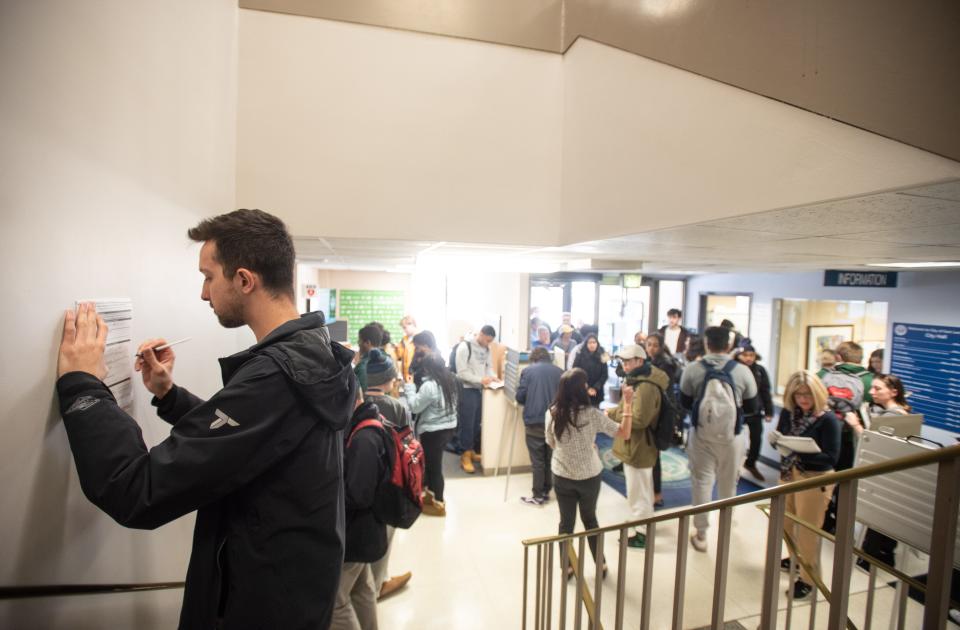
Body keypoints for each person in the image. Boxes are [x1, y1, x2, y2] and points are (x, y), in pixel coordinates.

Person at [55, 209, 356, 629]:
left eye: (208, 276)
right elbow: (252, 437)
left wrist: (83, 385)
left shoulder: (276, 377)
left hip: (259, 608)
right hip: (291, 596)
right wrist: (169, 394)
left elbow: (135, 489)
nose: (203, 293)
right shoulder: (313, 351)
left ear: (244, 280)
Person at [679, 326, 759, 552]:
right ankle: (727, 523)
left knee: (702, 481)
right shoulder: (742, 371)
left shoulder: (693, 369)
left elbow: (684, 402)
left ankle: (701, 534)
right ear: (728, 345)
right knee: (728, 481)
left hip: (701, 435)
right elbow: (753, 407)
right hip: (733, 436)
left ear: (707, 344)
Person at [546, 369, 631, 576]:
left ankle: (567, 567)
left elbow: (551, 442)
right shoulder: (593, 415)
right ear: (580, 390)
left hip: (562, 475)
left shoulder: (552, 412)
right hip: (590, 476)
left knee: (566, 523)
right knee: (590, 519)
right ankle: (600, 564)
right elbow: (624, 432)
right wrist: (627, 403)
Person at [770, 371, 841, 600]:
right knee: (785, 522)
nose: (803, 399)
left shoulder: (828, 419)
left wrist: (798, 450)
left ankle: (809, 579)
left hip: (814, 478)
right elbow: (782, 439)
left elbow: (831, 458)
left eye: (807, 394)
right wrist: (778, 442)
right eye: (798, 394)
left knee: (807, 531)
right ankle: (795, 558)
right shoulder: (790, 414)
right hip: (789, 474)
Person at [360, 349, 413, 601]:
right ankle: (377, 584)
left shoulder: (354, 403)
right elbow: (408, 445)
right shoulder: (397, 407)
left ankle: (365, 585)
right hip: (390, 483)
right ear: (389, 380)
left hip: (358, 482)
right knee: (385, 537)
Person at [333, 395, 389, 629]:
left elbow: (359, 494)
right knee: (362, 588)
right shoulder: (369, 425)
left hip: (358, 533)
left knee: (335, 602)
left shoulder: (363, 438)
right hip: (367, 531)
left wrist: (328, 501)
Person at [610, 345, 670, 548]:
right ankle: (643, 524)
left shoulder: (645, 386)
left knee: (639, 491)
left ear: (639, 361)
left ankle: (642, 533)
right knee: (641, 489)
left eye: (628, 361)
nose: (625, 365)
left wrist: (615, 414)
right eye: (623, 362)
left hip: (640, 445)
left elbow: (639, 419)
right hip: (638, 444)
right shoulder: (638, 380)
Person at [404, 353, 459, 517]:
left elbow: (414, 406)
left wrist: (409, 387)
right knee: (431, 465)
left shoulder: (430, 386)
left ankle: (439, 504)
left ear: (427, 368)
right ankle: (431, 495)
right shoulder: (451, 380)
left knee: (434, 468)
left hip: (433, 431)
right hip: (448, 428)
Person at [515, 347, 564, 505]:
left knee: (537, 460)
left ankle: (537, 495)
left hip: (534, 421)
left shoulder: (527, 371)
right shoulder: (561, 372)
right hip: (555, 421)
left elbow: (520, 396)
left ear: (533, 359)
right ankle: (546, 490)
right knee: (550, 457)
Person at [451, 324, 499, 473]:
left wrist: (493, 377)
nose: (488, 344)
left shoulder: (487, 348)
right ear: (481, 334)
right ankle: (464, 455)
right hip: (467, 390)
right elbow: (462, 373)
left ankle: (470, 450)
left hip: (480, 390)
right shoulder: (464, 347)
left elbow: (489, 366)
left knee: (476, 423)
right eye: (487, 340)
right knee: (467, 423)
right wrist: (480, 380)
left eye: (490, 341)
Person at [734, 341, 774, 481]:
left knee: (756, 439)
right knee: (735, 441)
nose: (748, 358)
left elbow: (765, 391)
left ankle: (751, 463)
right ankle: (732, 467)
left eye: (751, 355)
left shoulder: (760, 370)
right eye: (745, 355)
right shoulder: (734, 369)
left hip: (755, 411)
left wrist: (769, 411)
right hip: (737, 411)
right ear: (739, 355)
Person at [363, 349, 411, 428]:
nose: (394, 379)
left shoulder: (357, 403)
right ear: (388, 378)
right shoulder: (397, 407)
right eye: (393, 377)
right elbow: (407, 437)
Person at [572, 334, 609, 407]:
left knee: (595, 412)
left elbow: (605, 374)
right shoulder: (580, 354)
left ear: (597, 343)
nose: (592, 345)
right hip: (582, 389)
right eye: (589, 342)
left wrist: (595, 388)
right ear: (586, 344)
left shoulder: (603, 354)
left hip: (597, 391)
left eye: (594, 342)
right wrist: (587, 388)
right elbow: (575, 372)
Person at [355, 323, 384, 393]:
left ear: (368, 343)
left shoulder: (363, 366)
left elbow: (359, 392)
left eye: (360, 340)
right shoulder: (386, 359)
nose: (358, 343)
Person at [395, 315, 418, 383]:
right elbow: (399, 356)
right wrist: (397, 348)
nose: (404, 330)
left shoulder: (420, 338)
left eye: (405, 328)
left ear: (412, 324)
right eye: (403, 328)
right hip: (406, 375)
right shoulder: (404, 339)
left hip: (416, 373)